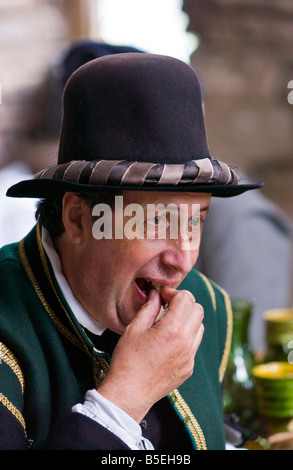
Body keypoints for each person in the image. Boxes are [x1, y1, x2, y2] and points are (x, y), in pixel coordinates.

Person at [0, 52, 262, 450]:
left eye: (195, 221)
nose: (184, 259)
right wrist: (126, 396)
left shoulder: (211, 307)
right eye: (157, 220)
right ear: (77, 218)